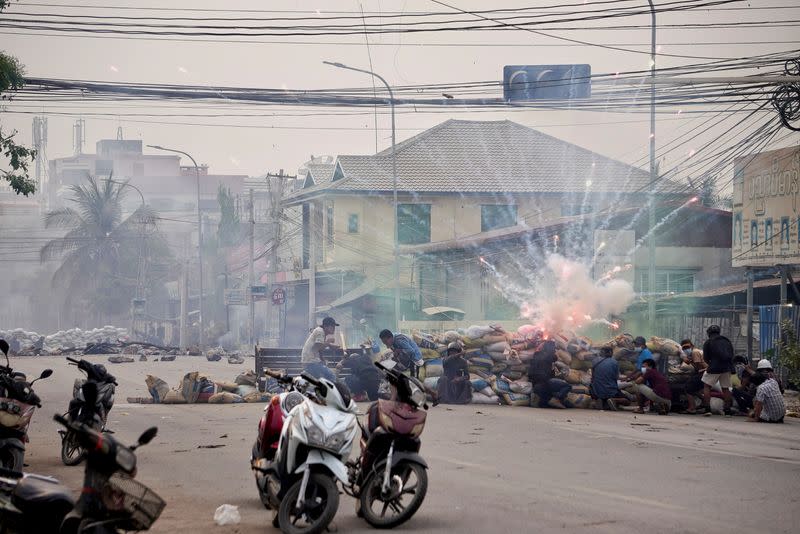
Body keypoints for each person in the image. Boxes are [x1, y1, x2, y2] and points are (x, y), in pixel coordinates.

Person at [528, 340, 573, 409]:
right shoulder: (551, 356)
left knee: (544, 404)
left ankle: (549, 400)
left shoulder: (536, 355)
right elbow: (557, 358)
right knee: (568, 386)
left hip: (535, 385)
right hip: (545, 383)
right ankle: (557, 399)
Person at [700, 325, 734, 416]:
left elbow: (706, 357)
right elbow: (731, 354)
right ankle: (728, 410)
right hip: (726, 367)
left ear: (709, 333)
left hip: (714, 368)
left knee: (707, 386)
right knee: (725, 388)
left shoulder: (708, 342)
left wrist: (710, 363)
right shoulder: (726, 341)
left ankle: (707, 409)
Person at [300, 317, 340, 381]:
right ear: (325, 326)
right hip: (311, 362)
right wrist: (328, 342)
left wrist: (322, 359)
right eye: (332, 326)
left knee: (323, 379)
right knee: (331, 376)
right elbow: (316, 348)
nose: (334, 329)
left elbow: (319, 348)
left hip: (311, 362)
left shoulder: (321, 332)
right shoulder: (320, 331)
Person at [679, 339, 707, 414]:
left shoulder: (695, 352)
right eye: (684, 348)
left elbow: (698, 366)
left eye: (687, 347)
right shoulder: (695, 352)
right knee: (694, 389)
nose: (686, 349)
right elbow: (691, 363)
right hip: (704, 373)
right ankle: (704, 402)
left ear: (692, 345)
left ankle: (692, 408)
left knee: (687, 387)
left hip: (704, 372)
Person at [591, 346, 621, 411]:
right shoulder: (614, 362)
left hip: (596, 390)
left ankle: (600, 399)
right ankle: (612, 400)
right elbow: (616, 377)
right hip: (610, 391)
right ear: (610, 352)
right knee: (627, 400)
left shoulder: (595, 361)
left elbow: (592, 376)